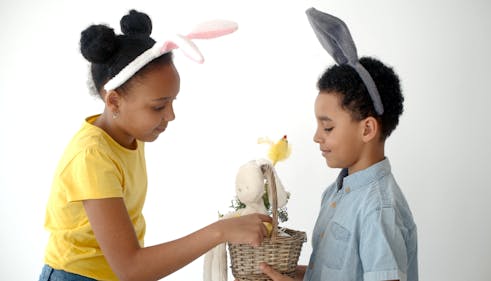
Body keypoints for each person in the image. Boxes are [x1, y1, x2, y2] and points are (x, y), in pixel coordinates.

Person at [39, 10, 271, 281]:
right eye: (159, 106)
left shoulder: (127, 136)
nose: (170, 115)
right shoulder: (93, 156)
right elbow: (131, 268)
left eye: (173, 102)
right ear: (114, 102)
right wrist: (220, 231)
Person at [259, 8, 418, 281]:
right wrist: (289, 274)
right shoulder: (335, 192)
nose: (317, 136)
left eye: (328, 126)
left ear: (367, 128)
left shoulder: (379, 209)